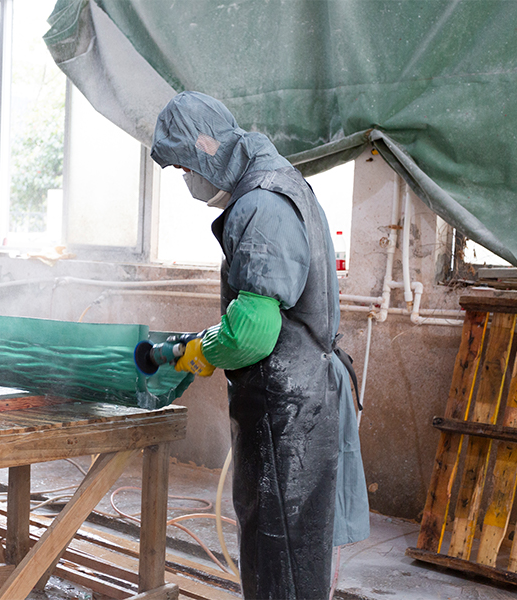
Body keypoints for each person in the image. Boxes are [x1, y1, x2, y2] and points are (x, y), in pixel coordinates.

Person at [150, 91, 369, 599]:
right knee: (292, 556)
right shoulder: (281, 181)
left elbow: (251, 333)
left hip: (285, 413)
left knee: (280, 558)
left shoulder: (260, 204)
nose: (186, 178)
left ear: (206, 147)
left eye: (183, 166)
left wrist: (200, 350)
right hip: (299, 399)